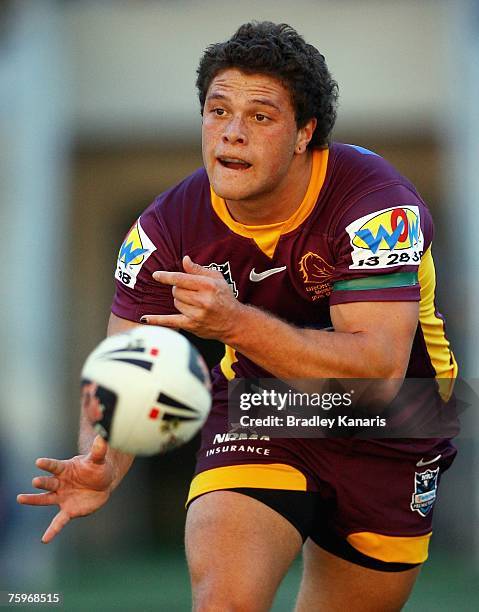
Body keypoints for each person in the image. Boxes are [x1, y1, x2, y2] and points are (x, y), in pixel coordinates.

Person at [18, 22, 458, 611]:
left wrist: (233, 322)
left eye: (259, 116)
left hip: (393, 418)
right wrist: (103, 455)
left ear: (305, 133)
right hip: (262, 407)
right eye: (217, 109)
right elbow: (127, 365)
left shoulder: (377, 205)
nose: (231, 133)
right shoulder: (165, 229)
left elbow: (377, 372)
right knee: (225, 602)